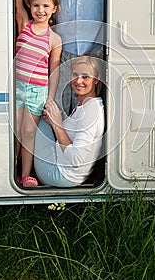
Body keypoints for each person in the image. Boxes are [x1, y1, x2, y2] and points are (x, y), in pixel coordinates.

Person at [15, 0, 62, 187]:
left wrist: (49, 98)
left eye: (45, 6)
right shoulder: (24, 24)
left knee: (28, 132)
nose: (40, 10)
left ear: (54, 9)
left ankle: (26, 175)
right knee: (14, 131)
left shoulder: (54, 38)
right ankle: (9, 171)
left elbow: (54, 70)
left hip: (37, 91)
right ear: (30, 7)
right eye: (36, 5)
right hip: (16, 87)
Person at [33, 55, 105, 187]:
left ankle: (23, 173)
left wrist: (57, 124)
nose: (78, 81)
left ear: (96, 79)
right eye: (75, 75)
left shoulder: (91, 111)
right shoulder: (85, 104)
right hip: (65, 170)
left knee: (35, 119)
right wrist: (53, 122)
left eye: (85, 77)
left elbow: (76, 159)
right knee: (43, 120)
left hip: (60, 174)